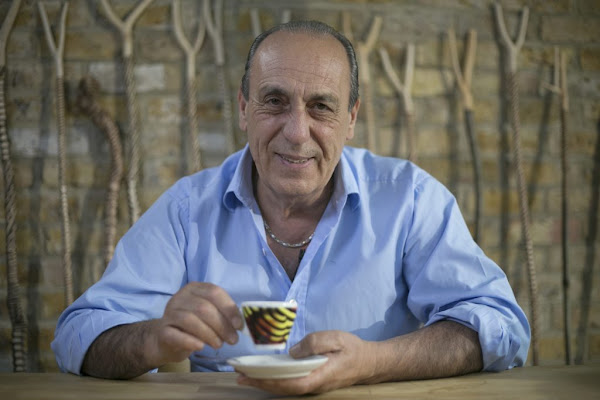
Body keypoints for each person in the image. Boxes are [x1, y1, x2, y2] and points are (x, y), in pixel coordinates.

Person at [52, 20, 530, 395]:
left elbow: (501, 325)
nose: (297, 132)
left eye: (321, 106)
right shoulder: (186, 210)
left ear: (351, 119)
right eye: (275, 101)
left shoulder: (409, 199)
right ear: (244, 108)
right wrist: (153, 339)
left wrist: (372, 363)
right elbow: (77, 336)